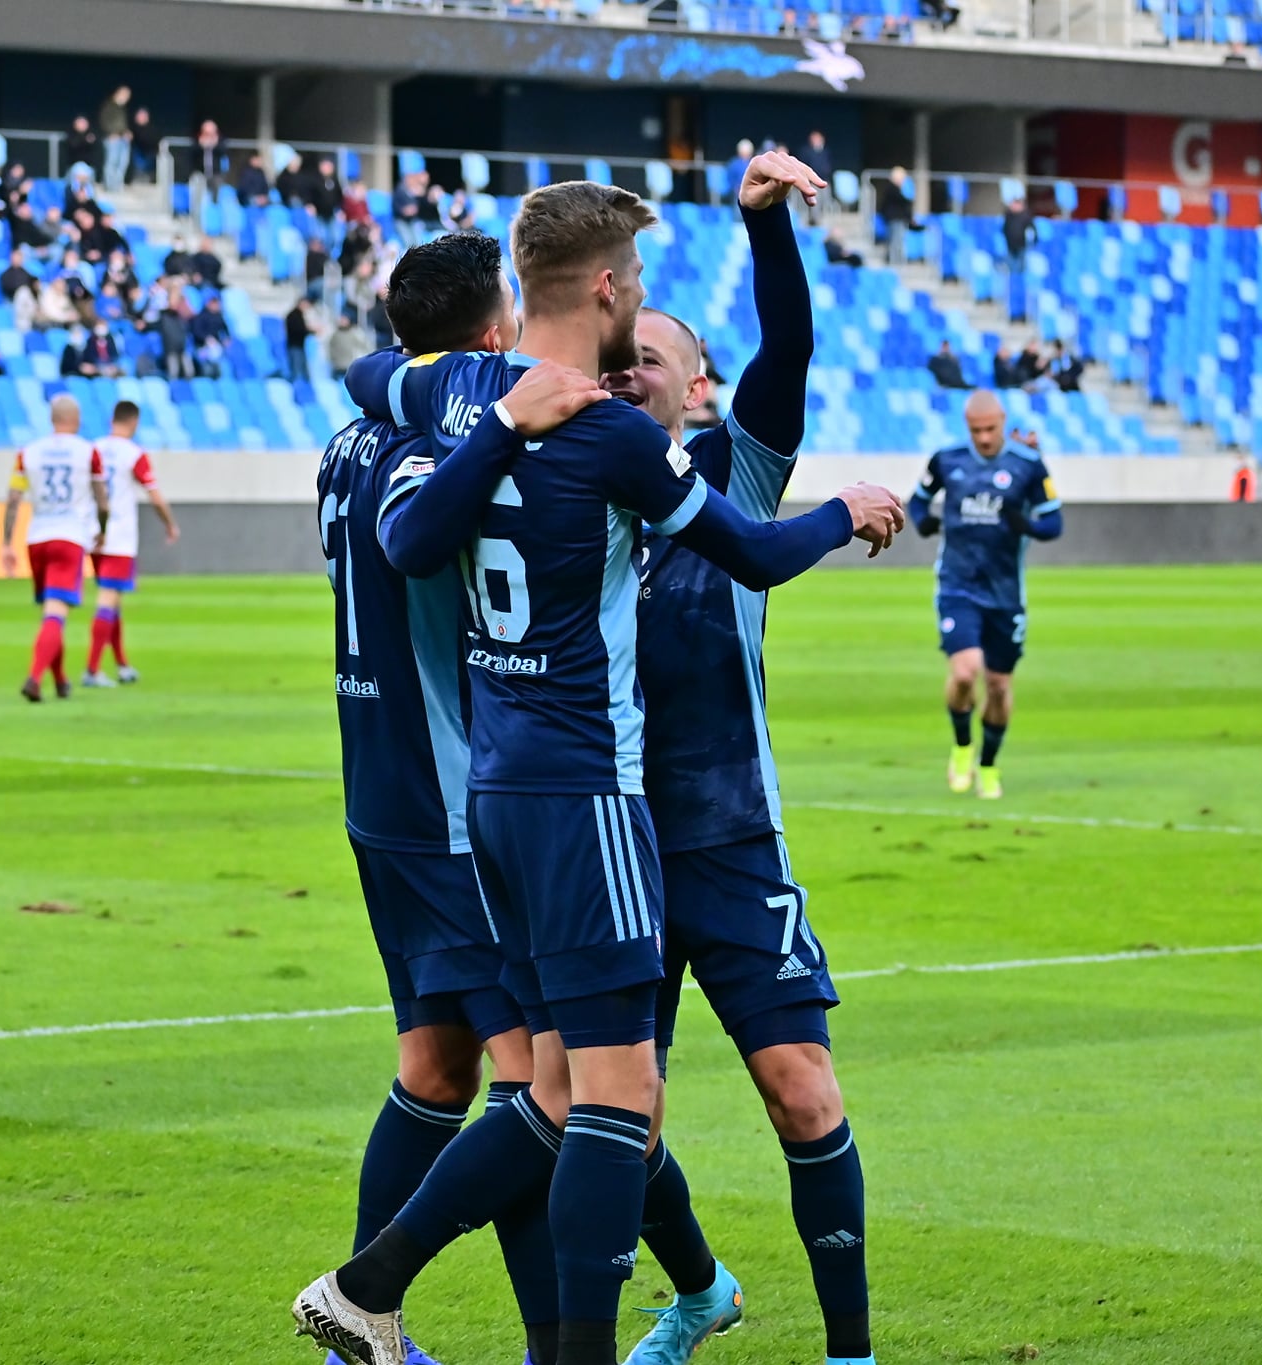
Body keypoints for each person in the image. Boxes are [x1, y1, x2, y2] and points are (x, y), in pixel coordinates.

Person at [294, 180, 895, 1365]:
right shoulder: (603, 441)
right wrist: (848, 515)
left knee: (586, 1092)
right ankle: (394, 1293)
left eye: (661, 358)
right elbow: (765, 558)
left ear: (698, 384)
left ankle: (714, 1311)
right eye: (632, 341)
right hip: (597, 811)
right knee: (605, 1103)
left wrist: (763, 225)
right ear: (606, 295)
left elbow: (384, 398)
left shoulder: (546, 421)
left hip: (620, 821)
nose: (633, 367)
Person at [311, 241, 613, 1365]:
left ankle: (362, 1331)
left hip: (377, 790)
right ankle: (532, 1344)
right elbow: (420, 539)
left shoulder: (351, 428)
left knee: (432, 1068)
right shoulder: (428, 433)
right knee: (539, 1086)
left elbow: (364, 374)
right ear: (491, 331)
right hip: (444, 799)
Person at [908, 392, 1064, 800]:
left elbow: (1054, 523)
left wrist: (1024, 524)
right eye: (976, 430)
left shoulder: (1027, 466)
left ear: (1002, 421)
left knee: (997, 685)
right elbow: (918, 502)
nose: (984, 437)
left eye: (990, 429)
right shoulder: (947, 459)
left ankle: (989, 765)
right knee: (964, 672)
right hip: (957, 584)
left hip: (1006, 593)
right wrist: (924, 523)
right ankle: (962, 748)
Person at [3, 394, 109, 703]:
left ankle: (61, 680)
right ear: (76, 420)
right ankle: (34, 678)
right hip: (70, 536)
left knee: (51, 611)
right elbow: (102, 499)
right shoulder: (88, 452)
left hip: (38, 538)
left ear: (51, 419)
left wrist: (6, 543)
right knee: (56, 613)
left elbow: (13, 499)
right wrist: (102, 530)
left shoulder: (28, 453)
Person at [80, 401, 178, 687]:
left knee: (114, 600)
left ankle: (122, 665)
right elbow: (154, 494)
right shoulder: (133, 454)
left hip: (94, 532)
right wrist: (169, 523)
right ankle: (92, 669)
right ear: (134, 422)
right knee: (108, 598)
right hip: (119, 536)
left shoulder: (93, 448)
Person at [285, 298, 314, 383]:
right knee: (297, 370)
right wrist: (311, 330)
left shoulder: (298, 315)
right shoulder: (293, 316)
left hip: (299, 346)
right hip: (295, 346)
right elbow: (298, 330)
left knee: (303, 369)